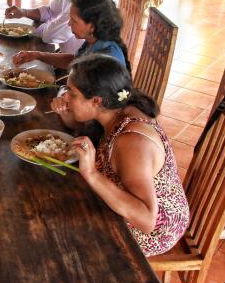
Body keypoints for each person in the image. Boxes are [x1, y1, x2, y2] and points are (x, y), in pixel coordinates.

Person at [64, 54, 189, 256]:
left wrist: (92, 174)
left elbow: (147, 220)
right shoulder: (116, 110)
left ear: (96, 100)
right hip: (130, 206)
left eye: (72, 93)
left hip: (152, 230)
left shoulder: (131, 142)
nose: (65, 97)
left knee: (64, 234)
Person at [13, 0, 129, 72]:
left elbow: (95, 103)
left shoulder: (107, 60)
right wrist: (37, 55)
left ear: (92, 25)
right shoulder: (95, 39)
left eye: (74, 21)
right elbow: (74, 61)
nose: (69, 23)